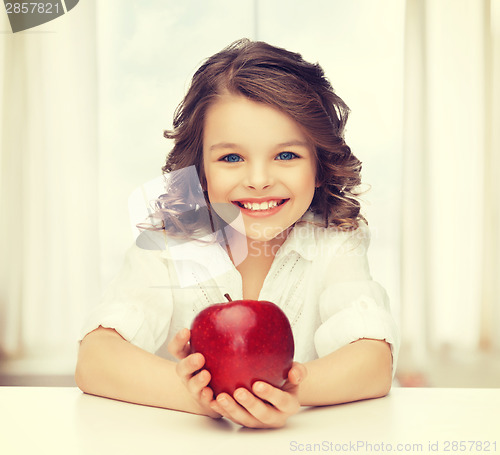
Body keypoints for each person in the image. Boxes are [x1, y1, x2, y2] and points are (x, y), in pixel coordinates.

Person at [75, 38, 399, 429]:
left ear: (319, 166)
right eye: (231, 158)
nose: (259, 180)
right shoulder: (168, 242)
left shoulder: (334, 239)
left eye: (286, 155)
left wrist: (284, 391)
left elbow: (374, 362)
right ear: (200, 171)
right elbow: (95, 359)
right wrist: (203, 395)